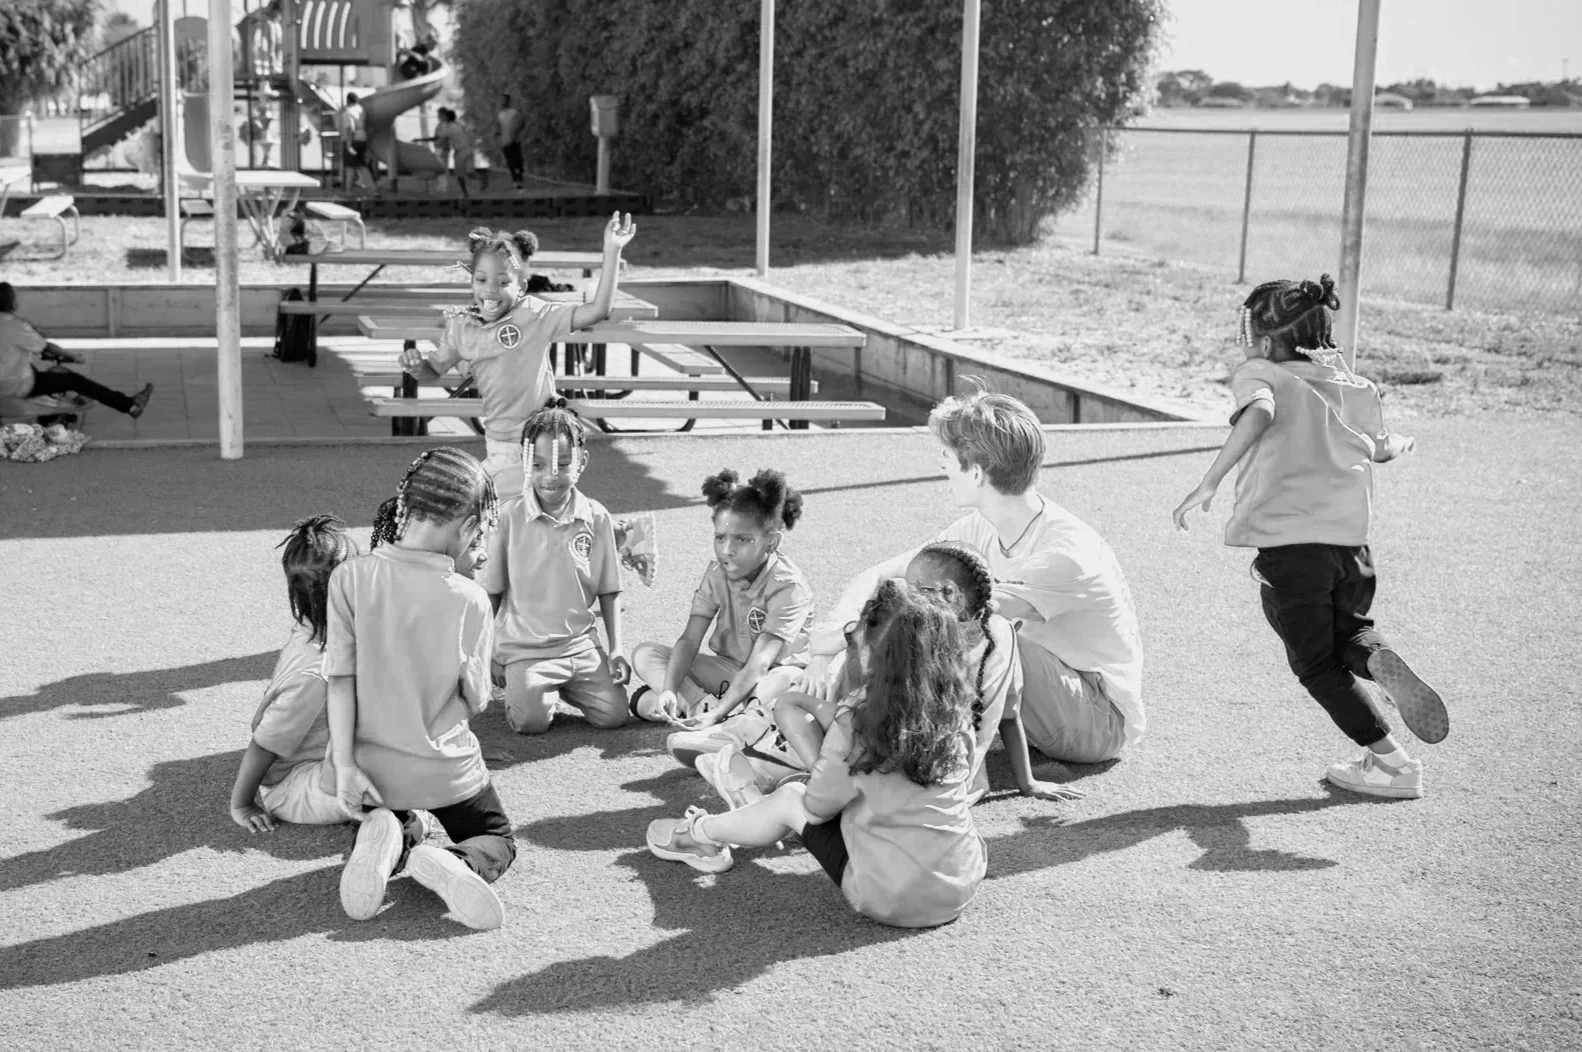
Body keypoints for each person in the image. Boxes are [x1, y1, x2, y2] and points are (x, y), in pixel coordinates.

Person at [1173, 274, 1448, 799]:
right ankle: (1375, 659)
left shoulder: (1261, 374)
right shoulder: (1356, 386)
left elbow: (1260, 411)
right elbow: (1381, 448)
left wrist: (1209, 481)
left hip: (1292, 548)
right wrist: (1403, 442)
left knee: (1316, 664)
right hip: (1351, 546)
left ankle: (1394, 765)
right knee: (1351, 635)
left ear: (1264, 342)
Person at [823, 388, 1144, 767]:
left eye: (946, 456)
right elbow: (881, 575)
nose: (941, 465)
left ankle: (872, 734)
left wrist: (848, 640)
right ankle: (853, 720)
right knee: (916, 602)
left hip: (1095, 719)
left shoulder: (1067, 554)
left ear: (975, 472)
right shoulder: (979, 527)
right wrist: (822, 649)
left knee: (976, 629)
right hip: (1040, 699)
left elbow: (957, 616)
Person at [646, 582, 987, 929]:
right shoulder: (954, 712)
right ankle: (746, 809)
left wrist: (820, 771)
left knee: (790, 798)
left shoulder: (855, 723)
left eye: (856, 638)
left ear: (870, 652)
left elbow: (815, 810)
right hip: (959, 885)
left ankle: (698, 834)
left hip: (890, 898)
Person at [326, 448, 515, 930]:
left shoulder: (348, 578)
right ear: (469, 526)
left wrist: (345, 766)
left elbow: (339, 681)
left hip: (371, 772)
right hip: (444, 770)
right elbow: (475, 698)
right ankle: (454, 860)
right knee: (496, 837)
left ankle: (388, 833)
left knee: (384, 815)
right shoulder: (470, 599)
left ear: (405, 508)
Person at [397, 214, 636, 489]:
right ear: (471, 282)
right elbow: (432, 371)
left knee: (505, 505)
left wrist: (612, 250)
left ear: (521, 286)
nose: (490, 290)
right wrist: (416, 366)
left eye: (502, 282)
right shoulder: (462, 327)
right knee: (494, 507)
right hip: (500, 445)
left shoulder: (535, 314)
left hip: (545, 443)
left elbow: (598, 310)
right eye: (481, 280)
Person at [482, 398, 630, 734]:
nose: (551, 475)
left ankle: (555, 687)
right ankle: (529, 688)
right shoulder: (508, 518)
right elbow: (490, 594)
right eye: (539, 465)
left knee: (614, 716)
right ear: (525, 462)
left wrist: (616, 649)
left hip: (580, 645)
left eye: (563, 464)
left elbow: (609, 591)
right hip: (525, 650)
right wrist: (489, 650)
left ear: (582, 461)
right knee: (530, 723)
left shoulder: (596, 517)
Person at [628, 468, 812, 732]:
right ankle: (703, 709)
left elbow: (760, 663)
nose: (727, 550)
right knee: (646, 654)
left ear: (772, 542)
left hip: (770, 676)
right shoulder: (717, 573)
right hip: (727, 671)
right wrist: (669, 688)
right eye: (720, 538)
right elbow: (690, 640)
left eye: (742, 540)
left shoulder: (788, 585)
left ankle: (713, 714)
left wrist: (715, 714)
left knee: (785, 681)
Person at [229, 515, 360, 832]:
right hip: (295, 784)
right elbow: (264, 744)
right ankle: (387, 831)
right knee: (389, 778)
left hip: (327, 759)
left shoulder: (311, 627)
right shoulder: (316, 676)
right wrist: (242, 805)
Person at [0, 282, 153, 419]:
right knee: (75, 381)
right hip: (14, 387)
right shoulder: (15, 326)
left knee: (36, 370)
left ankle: (50, 409)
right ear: (11, 302)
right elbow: (45, 347)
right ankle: (130, 406)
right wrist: (73, 356)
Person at [431, 107, 478, 195]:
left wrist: (422, 140)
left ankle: (447, 188)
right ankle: (444, 187)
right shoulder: (457, 125)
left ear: (445, 116)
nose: (438, 116)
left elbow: (440, 138)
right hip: (463, 149)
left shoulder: (447, 126)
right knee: (467, 172)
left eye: (440, 114)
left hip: (451, 150)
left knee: (451, 171)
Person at [338, 92, 374, 192]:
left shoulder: (347, 113)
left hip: (352, 140)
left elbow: (350, 128)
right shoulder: (361, 110)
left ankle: (348, 190)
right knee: (361, 165)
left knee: (350, 167)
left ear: (348, 101)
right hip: (362, 138)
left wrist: (349, 144)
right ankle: (373, 189)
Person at [495, 94, 524, 190]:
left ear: (508, 101)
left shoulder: (514, 112)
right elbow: (497, 128)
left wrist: (517, 132)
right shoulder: (499, 115)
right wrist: (497, 138)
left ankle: (519, 177)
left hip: (515, 140)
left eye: (504, 100)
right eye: (501, 100)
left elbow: (522, 123)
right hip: (505, 142)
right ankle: (515, 181)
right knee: (511, 162)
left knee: (518, 161)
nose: (502, 102)